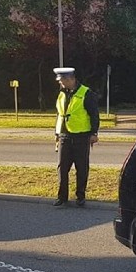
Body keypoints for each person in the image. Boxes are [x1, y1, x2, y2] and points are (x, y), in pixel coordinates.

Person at [53, 67, 100, 207]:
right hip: (64, 136)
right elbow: (60, 115)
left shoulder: (86, 93)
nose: (60, 84)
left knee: (82, 168)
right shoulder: (62, 93)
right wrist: (57, 134)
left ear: (71, 79)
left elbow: (94, 115)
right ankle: (62, 197)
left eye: (62, 81)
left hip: (81, 137)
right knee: (62, 168)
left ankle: (80, 196)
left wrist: (94, 133)